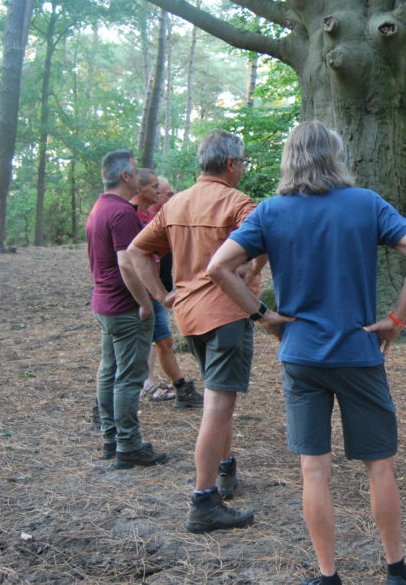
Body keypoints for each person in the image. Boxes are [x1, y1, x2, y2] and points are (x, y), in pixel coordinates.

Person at [208, 120, 406, 585]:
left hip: (301, 355)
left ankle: (328, 575)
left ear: (290, 158)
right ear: (335, 155)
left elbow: (219, 268)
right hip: (358, 353)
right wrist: (395, 320)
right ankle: (396, 570)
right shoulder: (366, 204)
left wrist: (262, 316)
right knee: (379, 465)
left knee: (314, 469)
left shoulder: (271, 212)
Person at [129, 130, 264, 533]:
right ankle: (203, 501)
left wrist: (164, 296)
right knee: (218, 404)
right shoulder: (238, 204)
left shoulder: (177, 203)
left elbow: (137, 250)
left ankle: (225, 470)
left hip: (190, 316)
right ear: (230, 164)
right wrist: (252, 271)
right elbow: (264, 243)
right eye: (241, 163)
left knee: (219, 398)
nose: (241, 170)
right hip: (226, 314)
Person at [86, 149, 168, 469]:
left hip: (104, 304)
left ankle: (111, 439)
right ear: (125, 177)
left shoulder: (100, 208)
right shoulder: (121, 213)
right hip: (123, 308)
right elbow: (126, 262)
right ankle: (129, 445)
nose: (139, 176)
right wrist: (145, 302)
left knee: (109, 371)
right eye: (135, 172)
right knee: (129, 377)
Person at [130, 168, 202, 408]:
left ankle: (177, 388)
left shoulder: (161, 220)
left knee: (162, 341)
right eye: (167, 193)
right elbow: (130, 259)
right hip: (144, 295)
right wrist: (153, 296)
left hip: (156, 293)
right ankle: (128, 393)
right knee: (135, 345)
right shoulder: (139, 221)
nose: (171, 198)